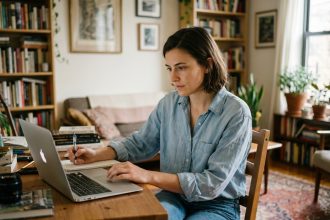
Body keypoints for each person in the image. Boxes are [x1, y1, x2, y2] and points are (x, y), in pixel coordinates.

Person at [68, 27, 252, 220]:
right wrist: (96, 155)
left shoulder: (236, 113)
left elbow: (211, 184)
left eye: (181, 67)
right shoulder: (168, 104)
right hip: (173, 196)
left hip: (217, 206)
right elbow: (141, 143)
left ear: (207, 65)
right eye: (169, 69)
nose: (173, 78)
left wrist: (147, 175)